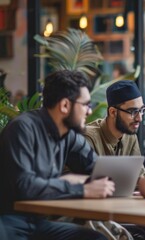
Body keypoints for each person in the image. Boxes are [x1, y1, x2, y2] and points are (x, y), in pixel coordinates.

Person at [0, 70, 115, 240]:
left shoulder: (68, 135)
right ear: (65, 106)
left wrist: (129, 184)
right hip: (9, 222)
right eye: (85, 105)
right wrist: (81, 188)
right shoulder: (22, 129)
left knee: (96, 238)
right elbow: (25, 186)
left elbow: (96, 168)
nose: (89, 111)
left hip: (38, 222)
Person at [84, 80, 145, 177]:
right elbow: (81, 181)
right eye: (133, 111)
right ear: (113, 112)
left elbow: (139, 177)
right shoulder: (88, 137)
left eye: (142, 110)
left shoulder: (130, 134)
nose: (139, 118)